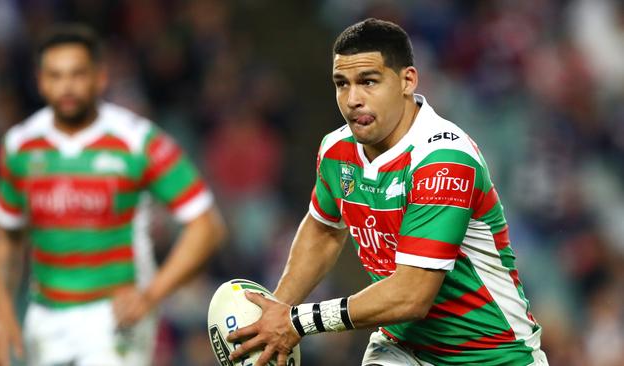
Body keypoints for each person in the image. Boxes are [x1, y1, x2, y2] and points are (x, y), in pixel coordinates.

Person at [228, 18, 548, 366]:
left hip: (493, 355)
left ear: (407, 80)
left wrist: (298, 321)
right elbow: (322, 230)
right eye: (342, 84)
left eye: (368, 82)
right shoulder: (336, 150)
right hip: (402, 348)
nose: (352, 99)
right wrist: (274, 314)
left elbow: (411, 296)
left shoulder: (443, 160)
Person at [0, 24, 227, 366]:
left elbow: (207, 226)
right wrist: (2, 314)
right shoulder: (19, 147)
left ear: (100, 77)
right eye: (55, 75)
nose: (66, 86)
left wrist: (151, 294)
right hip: (45, 316)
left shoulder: (138, 141)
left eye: (77, 74)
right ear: (40, 81)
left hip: (115, 315)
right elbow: (6, 238)